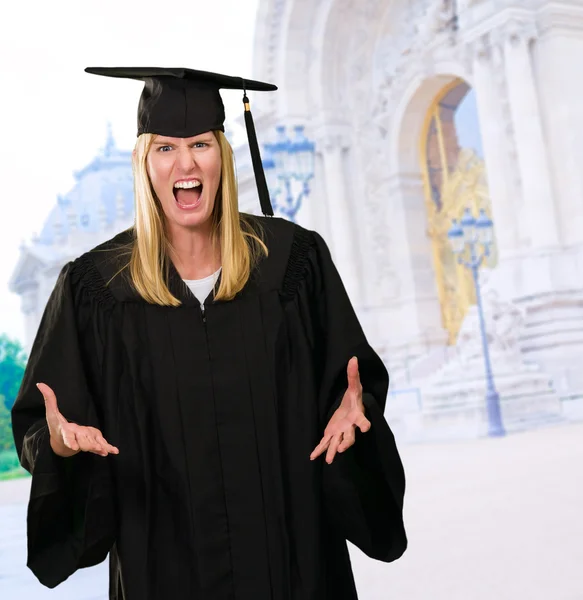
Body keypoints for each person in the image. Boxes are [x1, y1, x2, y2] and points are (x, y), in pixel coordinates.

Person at [11, 67, 407, 600]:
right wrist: (58, 447)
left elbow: (354, 394)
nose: (186, 162)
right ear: (143, 163)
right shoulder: (96, 291)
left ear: (223, 153)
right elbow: (42, 424)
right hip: (164, 572)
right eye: (165, 148)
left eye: (200, 143)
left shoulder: (293, 265)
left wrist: (356, 420)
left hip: (294, 568)